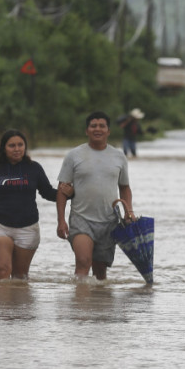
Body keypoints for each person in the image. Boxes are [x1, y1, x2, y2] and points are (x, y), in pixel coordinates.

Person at [57, 111, 134, 280]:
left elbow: (125, 188)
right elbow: (62, 190)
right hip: (81, 219)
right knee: (83, 261)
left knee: (100, 272)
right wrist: (61, 220)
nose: (97, 129)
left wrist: (129, 212)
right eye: (93, 126)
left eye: (102, 126)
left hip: (109, 221)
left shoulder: (119, 156)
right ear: (87, 131)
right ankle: (80, 304)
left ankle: (98, 304)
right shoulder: (74, 155)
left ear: (108, 131)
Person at [0, 129, 60, 280]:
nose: (17, 149)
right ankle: (0, 304)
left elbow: (47, 193)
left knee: (20, 277)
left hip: (28, 228)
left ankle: (16, 304)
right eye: (12, 146)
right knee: (1, 270)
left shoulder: (34, 168)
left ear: (25, 147)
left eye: (20, 145)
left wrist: (69, 193)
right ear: (3, 148)